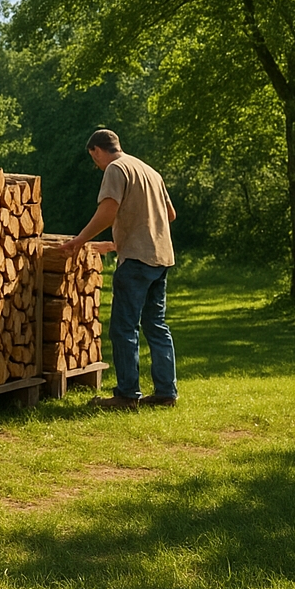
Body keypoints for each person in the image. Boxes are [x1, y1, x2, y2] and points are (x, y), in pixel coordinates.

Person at [58, 128, 178, 410]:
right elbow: (169, 215)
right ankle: (165, 392)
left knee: (124, 328)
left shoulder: (115, 169)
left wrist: (80, 239)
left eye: (94, 159)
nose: (96, 164)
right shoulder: (149, 171)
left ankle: (126, 395)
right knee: (156, 326)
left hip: (136, 262)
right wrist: (115, 244)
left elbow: (109, 210)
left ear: (97, 150)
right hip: (160, 258)